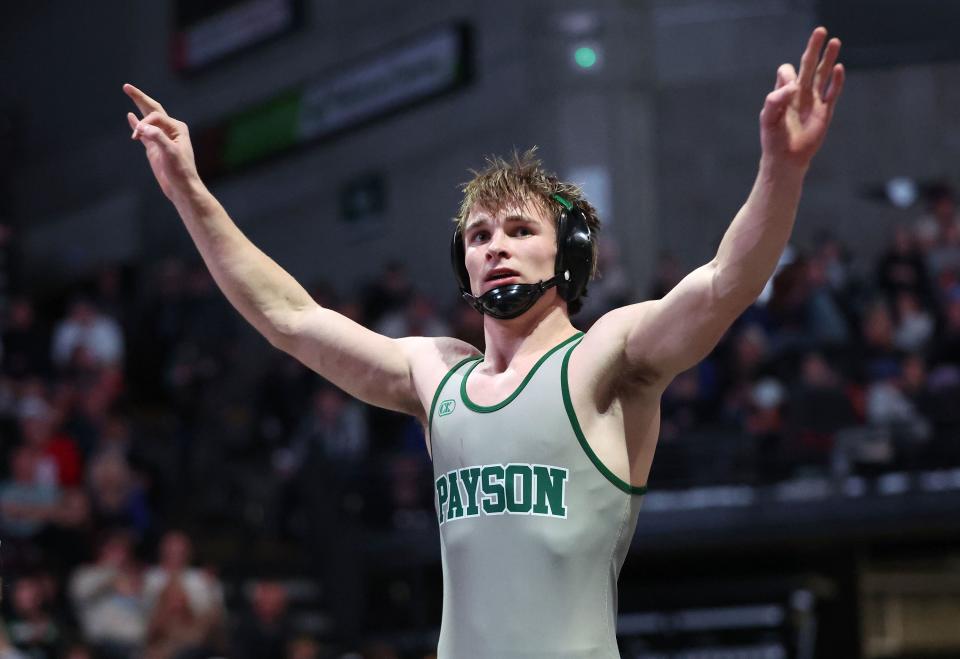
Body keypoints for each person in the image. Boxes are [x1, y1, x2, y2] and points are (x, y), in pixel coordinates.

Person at [125, 26, 844, 659]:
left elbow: (724, 283)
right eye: (479, 235)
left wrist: (783, 170)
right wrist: (191, 191)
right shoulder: (437, 372)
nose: (495, 246)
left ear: (569, 257)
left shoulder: (606, 355)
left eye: (519, 230)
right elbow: (289, 316)